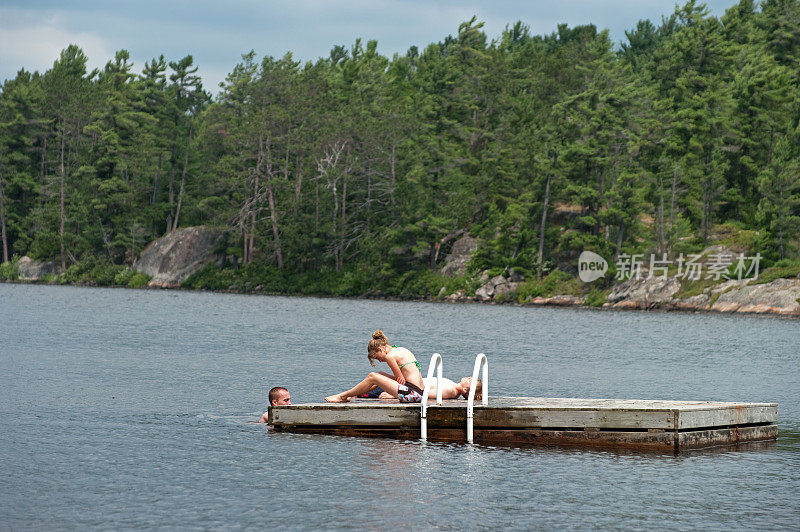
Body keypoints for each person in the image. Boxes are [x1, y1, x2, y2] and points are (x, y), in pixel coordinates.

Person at [325, 330, 425, 403]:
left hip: (412, 395)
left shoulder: (390, 357)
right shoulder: (401, 350)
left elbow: (400, 381)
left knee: (372, 376)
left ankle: (342, 396)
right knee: (380, 374)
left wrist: (391, 394)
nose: (380, 361)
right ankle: (353, 394)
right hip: (420, 393)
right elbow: (404, 380)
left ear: (380, 349)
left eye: (377, 358)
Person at [370, 376, 482, 401]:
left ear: (465, 390)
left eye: (470, 380)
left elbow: (424, 394)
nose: (469, 377)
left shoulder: (450, 391)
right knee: (379, 376)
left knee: (373, 382)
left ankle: (353, 395)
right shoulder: (452, 386)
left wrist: (393, 395)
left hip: (402, 389)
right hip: (405, 385)